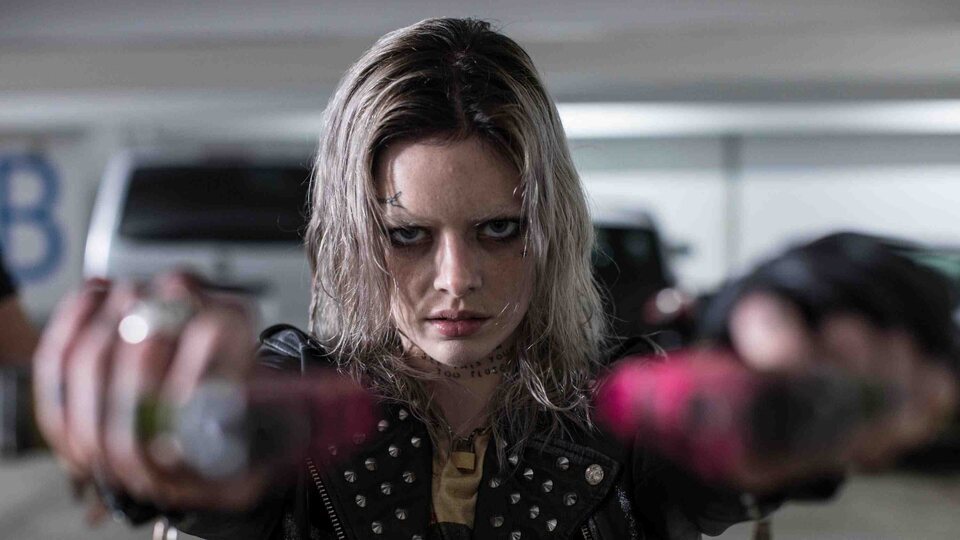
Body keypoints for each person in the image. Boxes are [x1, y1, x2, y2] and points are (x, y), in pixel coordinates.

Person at [32, 18, 958, 540]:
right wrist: (162, 430)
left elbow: (719, 448)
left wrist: (827, 311)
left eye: (499, 229)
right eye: (406, 235)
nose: (456, 279)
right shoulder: (299, 398)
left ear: (549, 228)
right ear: (353, 236)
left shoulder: (622, 414)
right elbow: (217, 472)